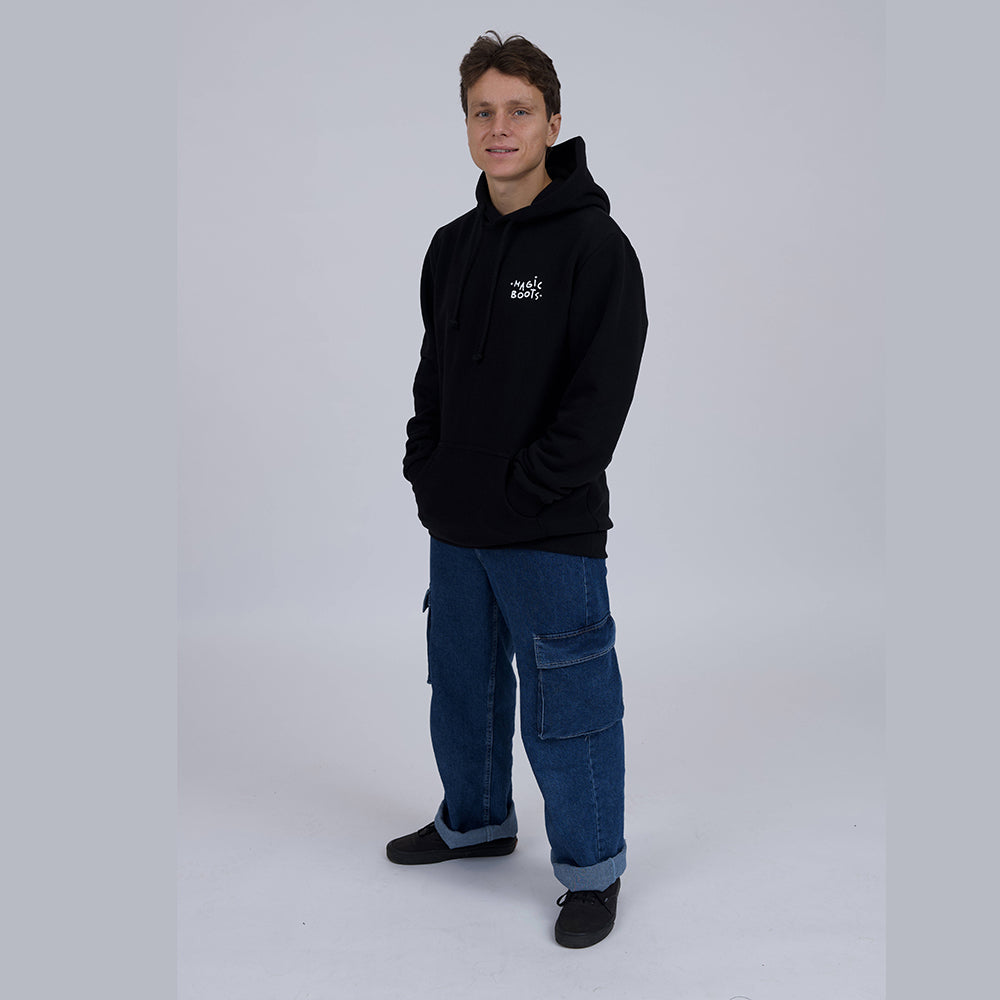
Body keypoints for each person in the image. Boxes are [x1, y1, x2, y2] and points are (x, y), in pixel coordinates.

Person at [387, 30, 647, 949]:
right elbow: (434, 376)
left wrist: (528, 488)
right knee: (461, 687)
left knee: (569, 705)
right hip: (456, 526)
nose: (500, 128)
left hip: (547, 528)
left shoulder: (595, 248)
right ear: (467, 124)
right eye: (482, 112)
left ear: (553, 122)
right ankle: (475, 822)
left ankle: (591, 872)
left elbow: (598, 402)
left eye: (519, 111)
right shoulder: (450, 247)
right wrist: (426, 465)